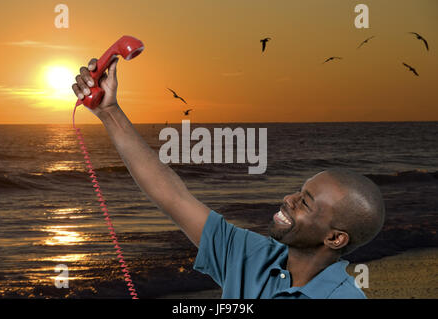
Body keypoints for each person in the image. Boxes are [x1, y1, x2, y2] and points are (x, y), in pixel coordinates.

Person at [72, 58, 385, 299]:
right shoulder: (252, 255)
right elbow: (172, 196)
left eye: (305, 202)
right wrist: (109, 112)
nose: (288, 199)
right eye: (298, 191)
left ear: (335, 238)